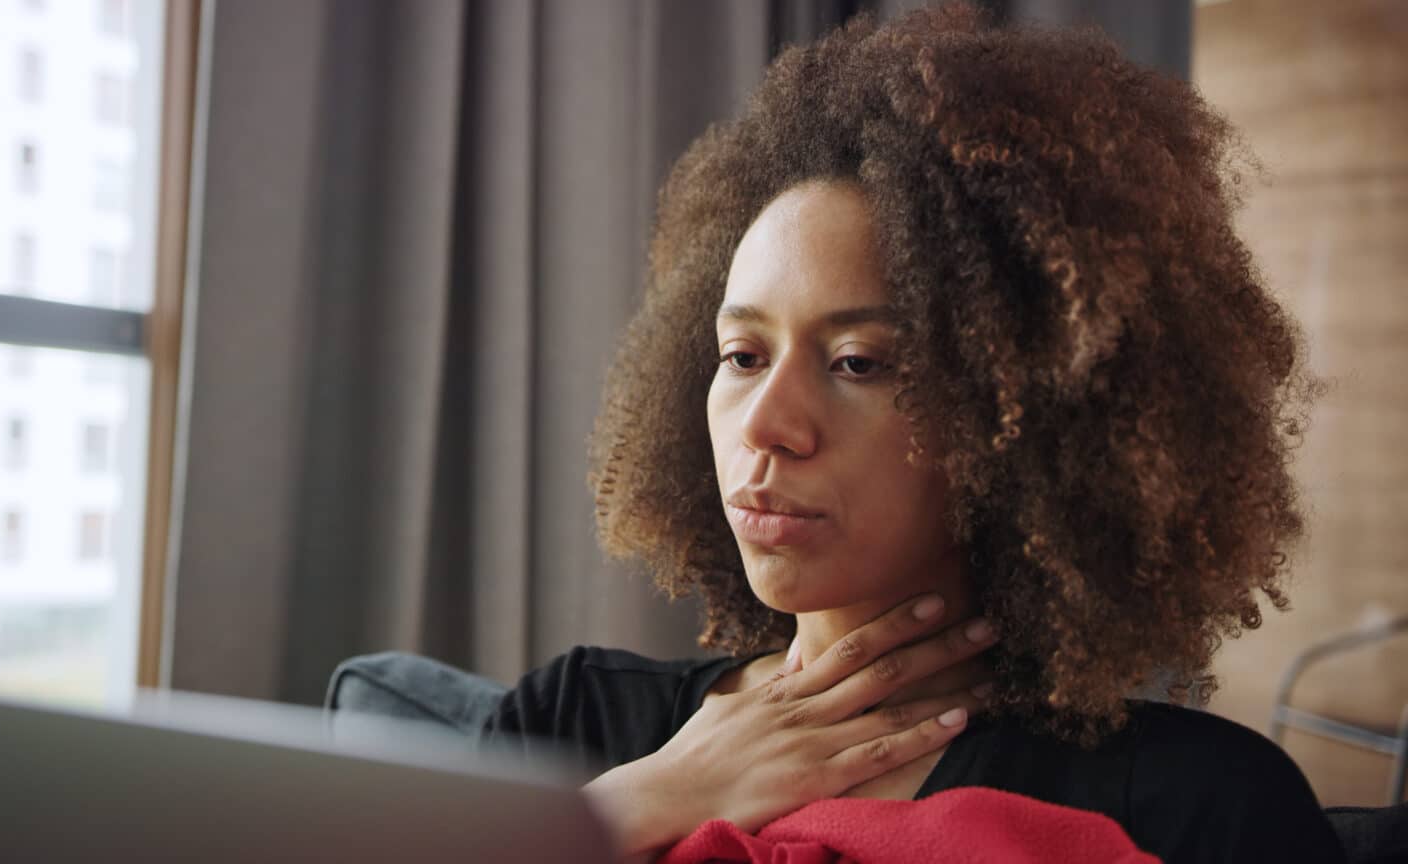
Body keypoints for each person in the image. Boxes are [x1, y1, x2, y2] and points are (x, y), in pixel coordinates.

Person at [480, 5, 1343, 862]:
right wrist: (646, 798)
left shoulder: (1198, 809)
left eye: (858, 363)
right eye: (742, 356)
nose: (768, 425)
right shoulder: (571, 727)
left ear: (1023, 419)